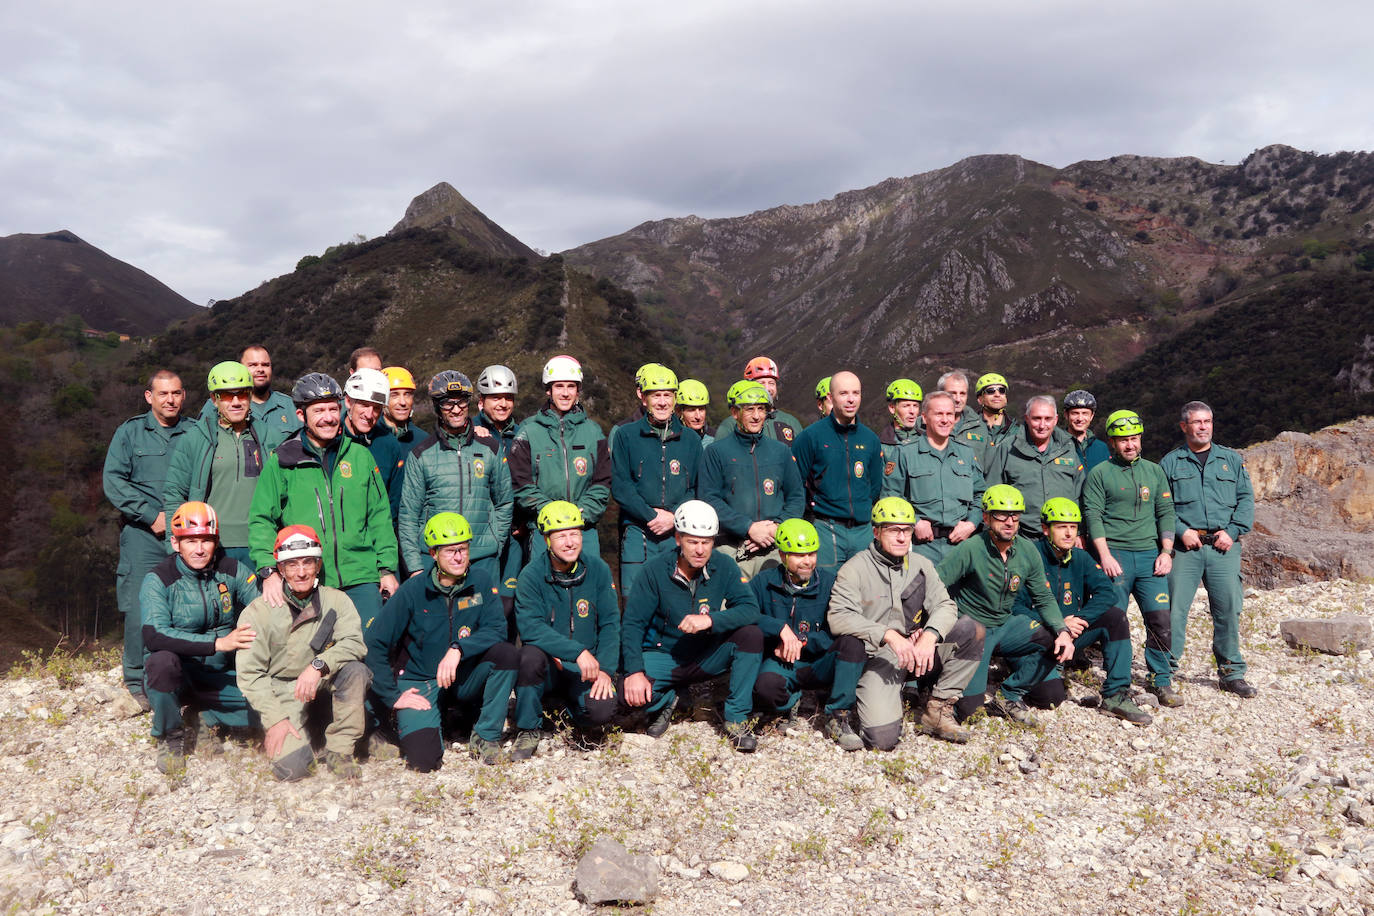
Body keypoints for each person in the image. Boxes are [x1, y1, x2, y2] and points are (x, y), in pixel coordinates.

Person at [363, 512, 530, 768]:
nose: (459, 557)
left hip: (463, 677)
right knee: (424, 761)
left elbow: (496, 628)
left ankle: (485, 737)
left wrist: (458, 649)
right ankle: (415, 724)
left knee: (507, 654)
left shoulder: (481, 581)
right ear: (433, 554)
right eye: (450, 551)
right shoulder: (413, 589)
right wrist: (393, 695)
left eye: (463, 549)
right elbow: (375, 641)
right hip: (421, 682)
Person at [826, 497, 984, 748]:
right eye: (893, 530)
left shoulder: (921, 564)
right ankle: (875, 698)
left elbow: (945, 605)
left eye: (907, 530)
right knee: (882, 740)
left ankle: (938, 709)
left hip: (916, 652)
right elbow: (839, 617)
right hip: (878, 660)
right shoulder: (854, 569)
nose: (902, 537)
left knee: (971, 629)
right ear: (876, 531)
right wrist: (888, 634)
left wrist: (929, 635)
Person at [248, 372, 400, 626]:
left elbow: (379, 517)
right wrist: (268, 570)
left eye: (333, 409)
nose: (328, 417)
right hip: (306, 578)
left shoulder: (360, 456)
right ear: (301, 415)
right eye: (318, 411)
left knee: (369, 651)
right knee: (313, 657)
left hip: (361, 577)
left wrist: (387, 570)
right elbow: (262, 519)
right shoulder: (283, 461)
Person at [621, 500, 764, 751]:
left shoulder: (725, 566)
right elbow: (632, 624)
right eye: (692, 541)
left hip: (706, 655)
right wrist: (634, 672)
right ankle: (669, 699)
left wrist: (710, 620)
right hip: (665, 655)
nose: (700, 550)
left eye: (706, 542)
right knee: (625, 697)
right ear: (678, 539)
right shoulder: (653, 571)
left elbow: (750, 609)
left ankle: (736, 720)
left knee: (751, 635)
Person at [236, 525, 372, 780]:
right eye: (292, 565)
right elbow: (250, 675)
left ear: (318, 565)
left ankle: (339, 750)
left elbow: (354, 642)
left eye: (308, 563)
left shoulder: (337, 600)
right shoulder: (258, 612)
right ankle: (307, 737)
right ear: (281, 570)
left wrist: (318, 665)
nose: (301, 573)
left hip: (319, 681)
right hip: (282, 693)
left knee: (356, 671)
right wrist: (275, 719)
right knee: (294, 770)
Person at [937, 485, 1075, 727]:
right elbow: (936, 586)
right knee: (970, 713)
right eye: (1001, 515)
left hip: (1005, 624)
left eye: (1015, 515)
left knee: (1052, 636)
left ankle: (1008, 695)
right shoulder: (970, 548)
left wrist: (1063, 631)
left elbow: (1042, 596)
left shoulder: (1027, 550)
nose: (1009, 521)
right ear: (986, 517)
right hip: (974, 631)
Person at [140, 502, 259, 774]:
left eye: (207, 540)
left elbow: (261, 610)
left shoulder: (232, 570)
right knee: (161, 662)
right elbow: (154, 634)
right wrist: (217, 644)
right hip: (179, 674)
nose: (199, 549)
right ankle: (170, 737)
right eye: (191, 541)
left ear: (216, 542)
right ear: (175, 543)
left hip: (221, 671)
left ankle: (207, 713)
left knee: (269, 702)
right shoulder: (158, 579)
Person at [1014, 499, 1152, 724]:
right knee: (1050, 698)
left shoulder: (1080, 557)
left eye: (1073, 527)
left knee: (1114, 617)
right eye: (1061, 527)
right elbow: (1014, 607)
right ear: (1045, 529)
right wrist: (1058, 624)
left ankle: (1116, 695)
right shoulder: (1029, 556)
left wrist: (1078, 619)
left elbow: (1106, 593)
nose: (1068, 533)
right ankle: (1017, 671)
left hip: (1070, 636)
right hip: (1035, 638)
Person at [104, 369, 189, 707]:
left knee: (187, 605)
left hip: (188, 537)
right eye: (163, 393)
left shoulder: (196, 431)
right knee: (141, 606)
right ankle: (136, 681)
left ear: (184, 395)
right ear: (149, 396)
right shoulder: (130, 433)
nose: (170, 400)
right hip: (144, 536)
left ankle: (181, 676)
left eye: (177, 393)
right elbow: (113, 480)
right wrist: (150, 515)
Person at [1082, 410, 1179, 705]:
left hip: (1151, 556)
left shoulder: (1154, 471)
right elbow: (1093, 517)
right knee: (1115, 620)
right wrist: (1105, 556)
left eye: (1134, 439)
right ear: (1112, 442)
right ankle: (1116, 681)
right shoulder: (1099, 473)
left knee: (1160, 618)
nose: (1129, 445)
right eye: (1123, 440)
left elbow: (1165, 513)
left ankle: (1160, 679)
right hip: (1116, 556)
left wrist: (1166, 552)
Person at [1161, 401, 1257, 698]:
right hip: (1185, 548)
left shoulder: (1231, 459)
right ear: (1184, 426)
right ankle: (1164, 671)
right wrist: (1181, 531)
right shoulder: (1170, 463)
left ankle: (1231, 673)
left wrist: (1233, 531)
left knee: (1228, 608)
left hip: (1223, 547)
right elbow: (1162, 507)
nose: (1203, 427)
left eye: (1208, 421)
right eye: (1197, 422)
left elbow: (1246, 500)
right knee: (1173, 610)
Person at [750, 519, 865, 751]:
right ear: (782, 556)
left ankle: (837, 715)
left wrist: (802, 642)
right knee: (766, 688)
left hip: (819, 661)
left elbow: (838, 627)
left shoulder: (831, 582)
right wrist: (779, 630)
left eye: (812, 554)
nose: (808, 561)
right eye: (799, 555)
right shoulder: (763, 583)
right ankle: (790, 704)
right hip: (781, 661)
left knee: (853, 643)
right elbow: (744, 614)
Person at [397, 371, 512, 595]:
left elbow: (504, 502)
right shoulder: (421, 455)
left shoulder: (491, 449)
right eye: (448, 404)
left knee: (485, 624)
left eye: (461, 402)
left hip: (482, 558)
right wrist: (414, 566)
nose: (456, 409)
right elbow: (409, 514)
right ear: (437, 407)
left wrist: (495, 542)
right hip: (434, 559)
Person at [513, 502, 620, 740]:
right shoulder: (531, 576)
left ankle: (563, 712)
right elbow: (531, 629)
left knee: (603, 710)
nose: (570, 542)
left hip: (587, 668)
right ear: (546, 540)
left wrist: (606, 670)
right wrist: (576, 651)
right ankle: (528, 728)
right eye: (561, 536)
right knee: (528, 657)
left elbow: (611, 624)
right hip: (550, 664)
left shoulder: (598, 570)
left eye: (574, 534)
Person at [163, 361, 266, 566]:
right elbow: (174, 494)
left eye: (243, 394)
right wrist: (174, 547)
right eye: (227, 395)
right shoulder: (194, 439)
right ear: (214, 399)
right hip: (211, 545)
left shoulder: (269, 437)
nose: (236, 402)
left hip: (261, 546)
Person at [697, 382, 804, 579]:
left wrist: (777, 528)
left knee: (773, 608)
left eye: (761, 409)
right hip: (731, 547)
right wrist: (748, 527)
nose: (756, 416)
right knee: (733, 607)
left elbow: (796, 497)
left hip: (775, 547)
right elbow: (708, 499)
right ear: (734, 412)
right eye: (749, 409)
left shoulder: (781, 452)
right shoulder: (716, 452)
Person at [508, 355, 611, 559]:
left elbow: (602, 483)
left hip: (584, 529)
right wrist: (552, 513)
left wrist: (579, 514)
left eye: (571, 386)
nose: (565, 393)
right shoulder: (528, 431)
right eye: (559, 386)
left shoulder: (594, 432)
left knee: (587, 587)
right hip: (542, 530)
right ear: (548, 390)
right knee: (543, 587)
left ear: (578, 390)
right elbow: (520, 483)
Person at [612, 364, 702, 594]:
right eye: (656, 395)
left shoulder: (691, 440)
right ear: (644, 398)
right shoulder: (626, 435)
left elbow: (697, 488)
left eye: (668, 395)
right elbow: (622, 486)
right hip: (637, 530)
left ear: (675, 399)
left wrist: (673, 517)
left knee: (676, 598)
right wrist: (652, 516)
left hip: (679, 530)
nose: (662, 402)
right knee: (634, 599)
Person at [792, 370, 883, 572]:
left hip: (863, 532)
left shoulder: (870, 439)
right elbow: (795, 485)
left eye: (856, 393)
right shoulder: (811, 437)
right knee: (827, 593)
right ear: (830, 398)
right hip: (826, 529)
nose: (851, 399)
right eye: (843, 394)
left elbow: (875, 486)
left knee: (864, 593)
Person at [883, 391, 985, 564]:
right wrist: (914, 523)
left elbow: (980, 494)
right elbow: (890, 497)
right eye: (938, 414)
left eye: (949, 414)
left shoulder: (966, 454)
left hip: (961, 545)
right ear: (924, 417)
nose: (945, 420)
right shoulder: (905, 453)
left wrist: (971, 524)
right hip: (921, 547)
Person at [984, 395, 1084, 539]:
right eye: (1037, 418)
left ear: (1056, 420)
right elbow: (991, 491)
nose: (1042, 425)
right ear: (1027, 418)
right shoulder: (1007, 448)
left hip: (1062, 538)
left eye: (1048, 419)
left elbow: (1079, 494)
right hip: (1020, 538)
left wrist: (1079, 533)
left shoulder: (1069, 448)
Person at [475, 365, 525, 617]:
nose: (503, 404)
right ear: (481, 401)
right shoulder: (468, 432)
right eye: (496, 398)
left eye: (508, 398)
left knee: (510, 605)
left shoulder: (523, 434)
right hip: (481, 535)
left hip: (516, 535)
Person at [342, 368, 408, 523]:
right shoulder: (330, 438)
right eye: (364, 405)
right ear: (348, 401)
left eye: (377, 408)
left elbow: (395, 501)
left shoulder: (389, 444)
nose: (369, 414)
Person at [715, 356, 804, 447]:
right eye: (761, 383)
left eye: (771, 383)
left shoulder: (791, 422)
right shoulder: (730, 425)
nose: (767, 388)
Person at [228, 346, 301, 451]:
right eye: (253, 365)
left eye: (265, 365)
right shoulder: (222, 405)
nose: (260, 369)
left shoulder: (291, 406)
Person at [380, 366, 422, 523]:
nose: (403, 402)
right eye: (394, 395)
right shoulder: (368, 439)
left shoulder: (423, 440)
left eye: (408, 395)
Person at [937, 370, 991, 469]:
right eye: (952, 393)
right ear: (940, 394)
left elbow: (990, 469)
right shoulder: (922, 425)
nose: (958, 399)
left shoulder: (981, 427)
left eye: (962, 394)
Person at [878, 378, 924, 477]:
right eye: (906, 406)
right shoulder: (880, 446)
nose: (912, 411)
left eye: (915, 406)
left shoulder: (927, 440)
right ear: (892, 408)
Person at [1063, 389, 1110, 473]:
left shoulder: (1102, 448)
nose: (1080, 419)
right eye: (1075, 413)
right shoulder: (1056, 446)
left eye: (1085, 413)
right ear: (1066, 415)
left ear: (1091, 416)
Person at [974, 373, 1013, 447]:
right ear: (980, 399)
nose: (997, 394)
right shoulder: (968, 428)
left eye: (1001, 390)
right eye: (990, 391)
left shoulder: (1018, 431)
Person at [675, 379, 715, 447]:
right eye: (691, 410)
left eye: (701, 409)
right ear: (679, 411)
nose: (698, 416)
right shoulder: (669, 438)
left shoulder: (716, 438)